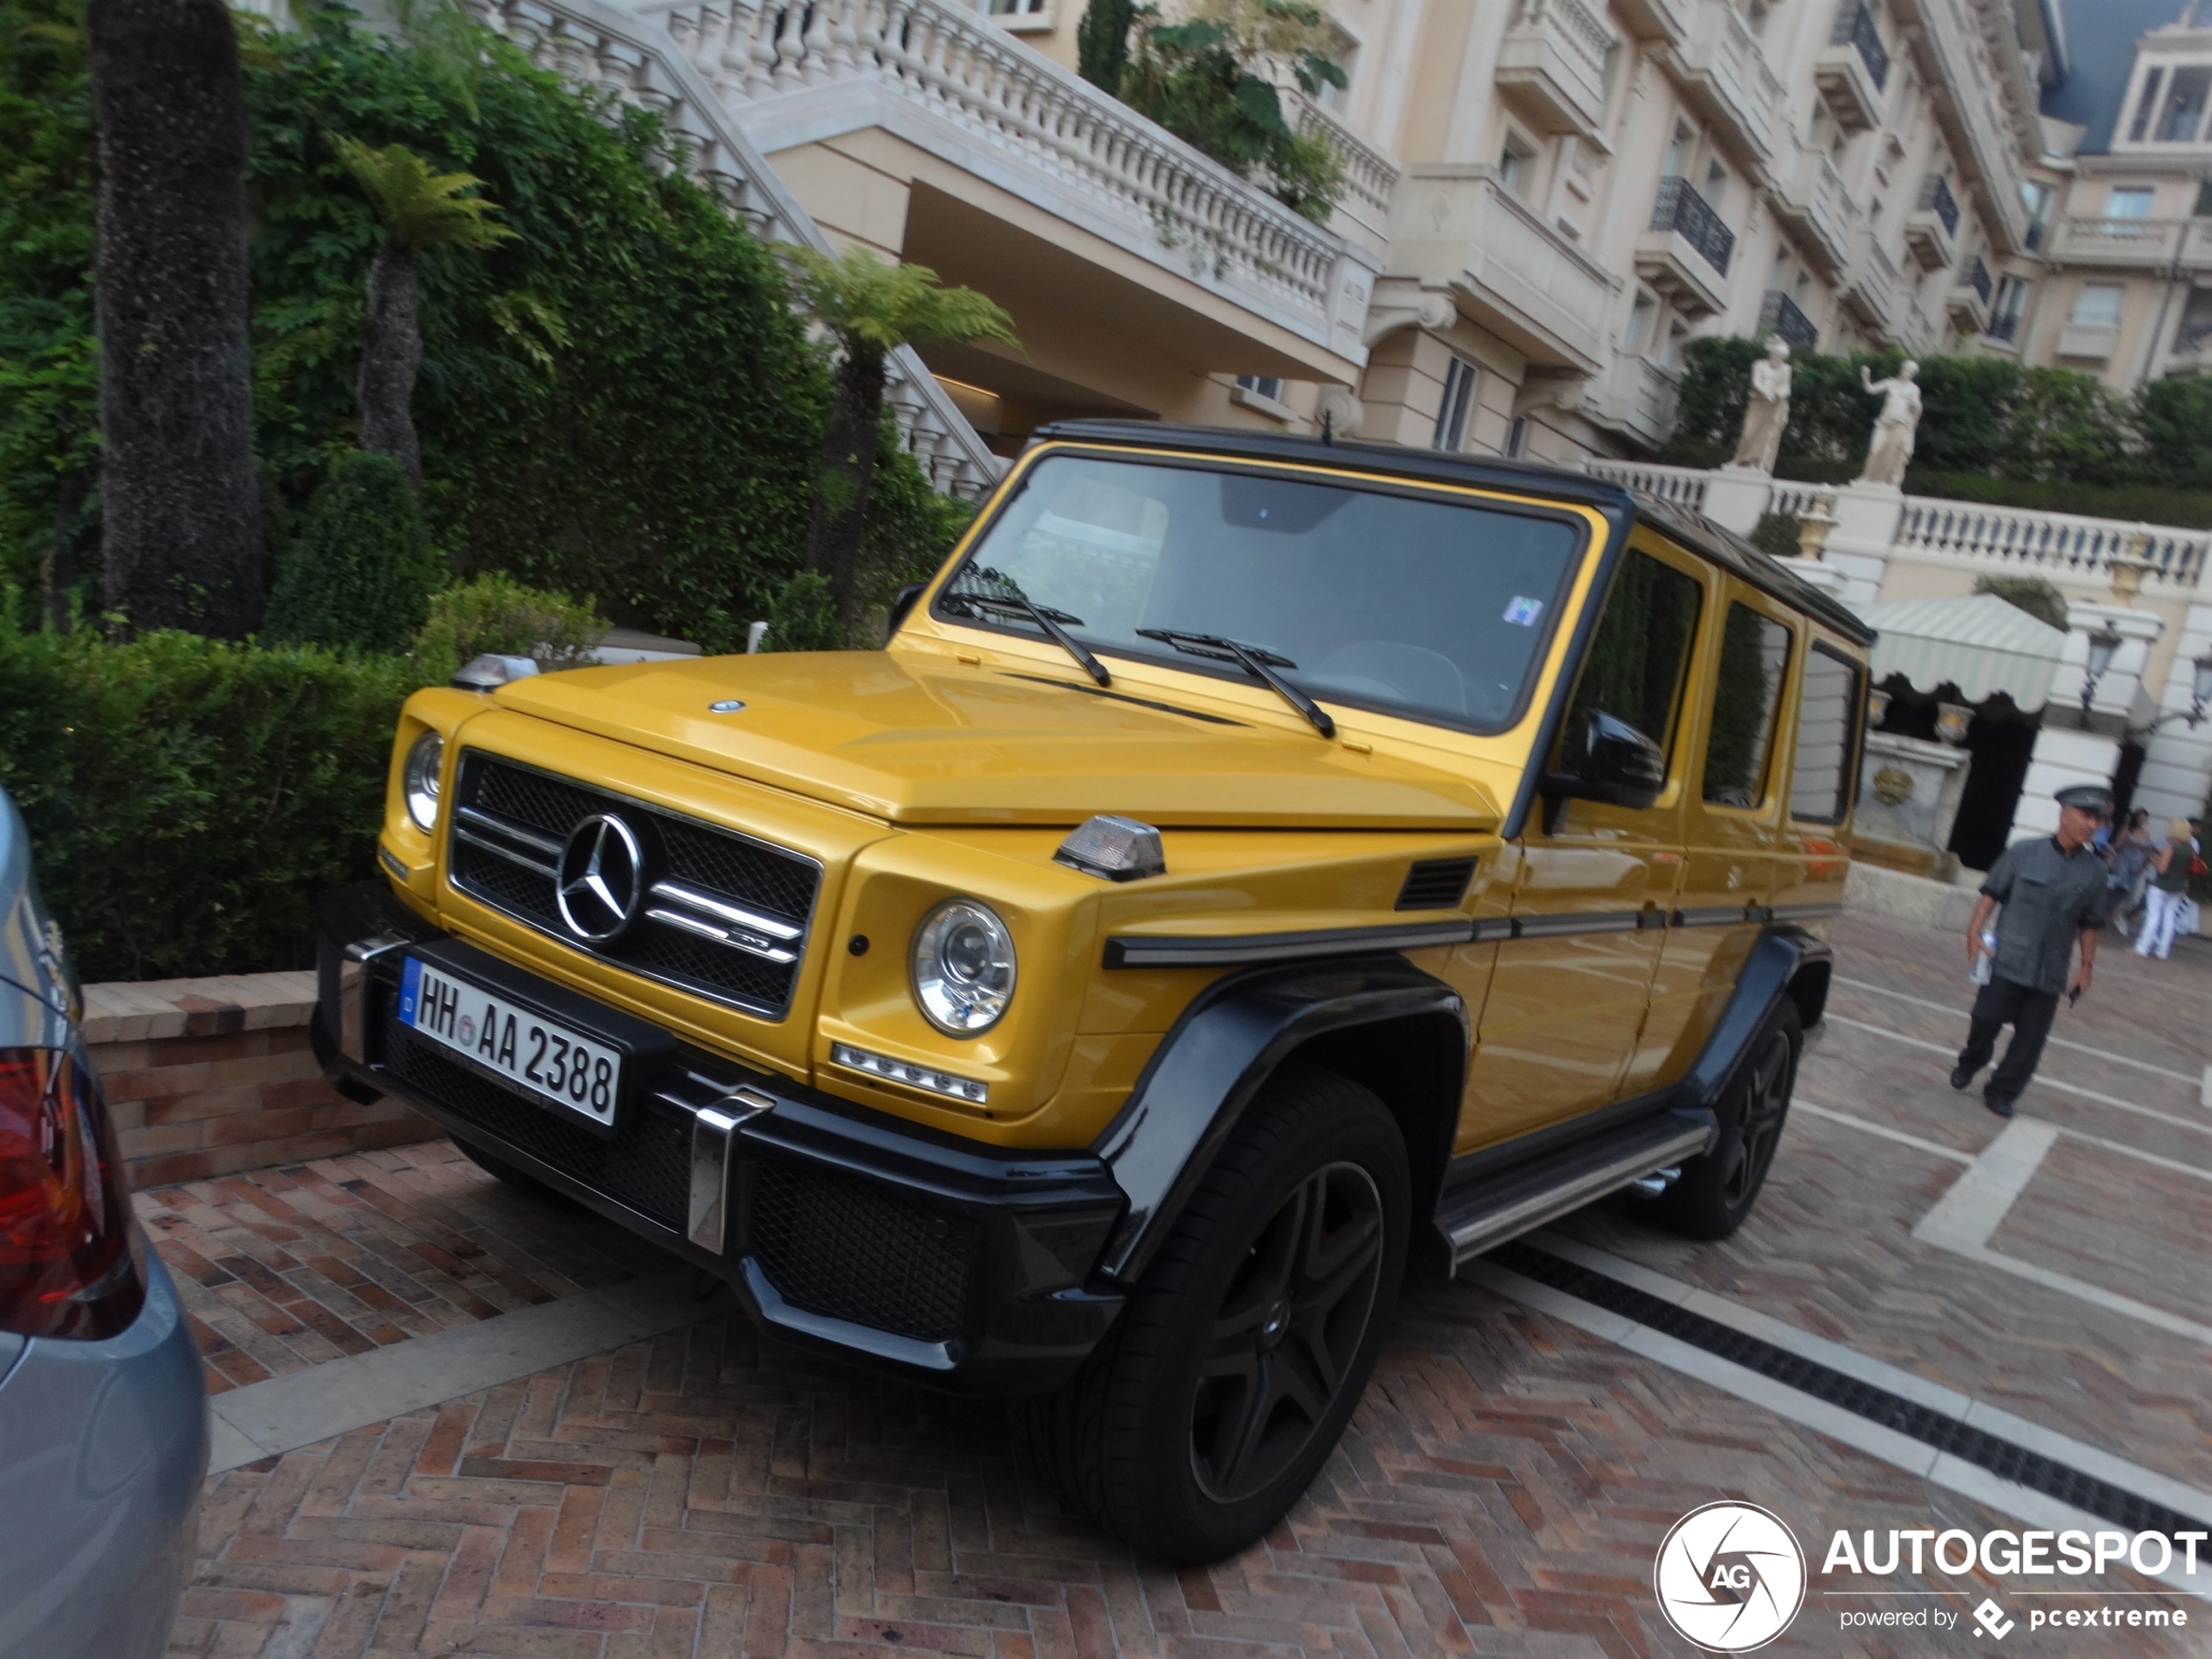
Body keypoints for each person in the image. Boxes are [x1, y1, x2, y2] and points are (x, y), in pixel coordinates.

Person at [1952, 784, 2112, 1118]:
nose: (2093, 825)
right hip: (2009, 959)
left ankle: (2002, 1091)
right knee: (1985, 1018)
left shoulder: (2096, 872)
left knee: (2030, 1041)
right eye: (2086, 816)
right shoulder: (2024, 852)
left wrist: (2086, 967)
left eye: (2098, 819)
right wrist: (1974, 930)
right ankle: (1972, 1060)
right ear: (2064, 814)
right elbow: (1991, 893)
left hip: (2049, 969)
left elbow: (2091, 923)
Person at [2136, 817, 2195, 960]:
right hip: (2178, 887)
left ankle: (2142, 947)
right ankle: (2163, 950)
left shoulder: (2170, 848)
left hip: (2161, 886)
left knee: (2153, 916)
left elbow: (2162, 870)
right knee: (2169, 918)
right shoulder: (2190, 849)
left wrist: (2154, 860)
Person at [1857, 361, 1923, 488]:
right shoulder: (1890, 383)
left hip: (1900, 423)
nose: (1908, 373)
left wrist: (1915, 405)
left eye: (1911, 371)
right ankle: (1866, 476)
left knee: (1891, 451)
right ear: (1902, 368)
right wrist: (1865, 376)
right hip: (1884, 422)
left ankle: (1883, 480)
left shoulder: (1914, 389)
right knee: (1875, 448)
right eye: (1907, 369)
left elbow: (1917, 408)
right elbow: (1870, 389)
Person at [1731, 338, 1793, 472]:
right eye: (1777, 356)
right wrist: (1766, 392)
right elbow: (1756, 381)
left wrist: (1778, 393)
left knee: (1768, 436)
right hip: (1758, 403)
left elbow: (1786, 387)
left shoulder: (1786, 369)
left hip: (1775, 406)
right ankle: (1741, 460)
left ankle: (1759, 464)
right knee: (1748, 433)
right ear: (1772, 354)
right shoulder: (1759, 364)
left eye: (1782, 358)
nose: (1779, 360)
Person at [2108, 808, 2156, 934]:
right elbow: (2118, 844)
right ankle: (2112, 913)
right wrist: (2133, 845)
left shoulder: (2146, 833)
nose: (2142, 820)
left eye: (2145, 818)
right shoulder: (2127, 828)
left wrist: (2144, 865)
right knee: (2119, 887)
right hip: (2124, 861)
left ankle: (2120, 915)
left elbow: (2149, 852)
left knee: (2131, 893)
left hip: (2137, 865)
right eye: (2141, 817)